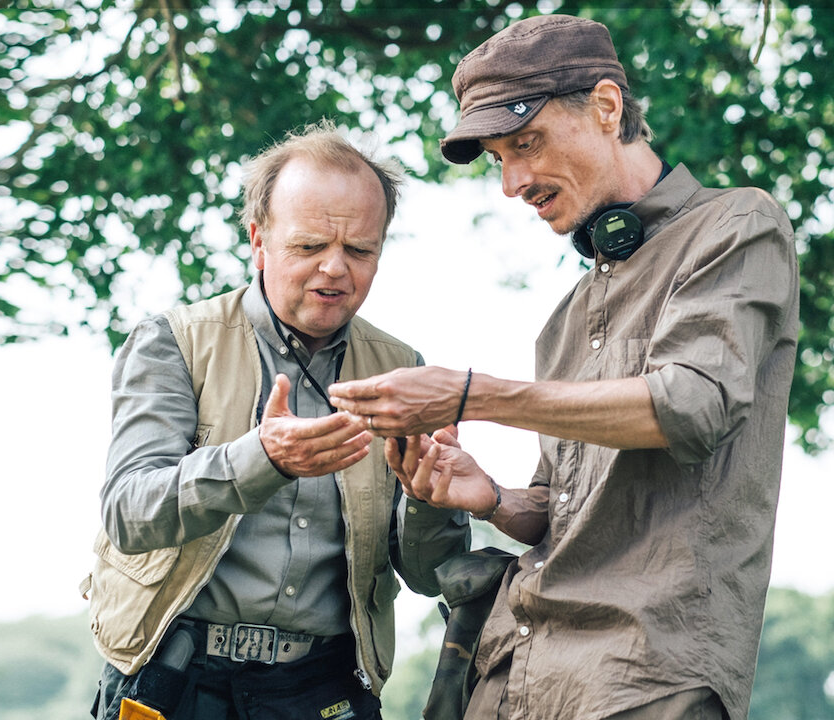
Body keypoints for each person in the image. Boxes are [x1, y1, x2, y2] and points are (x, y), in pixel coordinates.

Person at [329, 15, 799, 720]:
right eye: (497, 159)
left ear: (607, 108)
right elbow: (558, 510)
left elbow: (693, 406)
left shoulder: (737, 226)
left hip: (644, 683)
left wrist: (470, 395)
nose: (513, 182)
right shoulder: (566, 318)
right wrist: (489, 498)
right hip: (508, 675)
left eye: (527, 143)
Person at [82, 120, 471, 720]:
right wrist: (261, 459)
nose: (336, 269)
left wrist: (430, 500)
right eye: (310, 246)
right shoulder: (174, 342)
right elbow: (129, 513)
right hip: (175, 681)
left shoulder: (403, 370)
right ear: (259, 241)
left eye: (360, 250)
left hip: (327, 689)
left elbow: (427, 575)